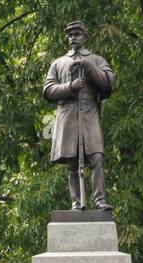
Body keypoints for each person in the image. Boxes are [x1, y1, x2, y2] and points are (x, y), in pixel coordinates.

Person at [43, 21, 115, 210]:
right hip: (68, 116)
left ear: (85, 36)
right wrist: (70, 87)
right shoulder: (58, 63)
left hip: (89, 113)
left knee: (97, 156)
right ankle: (76, 203)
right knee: (72, 162)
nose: (73, 38)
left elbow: (108, 85)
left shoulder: (97, 60)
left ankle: (99, 200)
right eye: (70, 35)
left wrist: (89, 67)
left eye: (77, 34)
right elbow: (48, 90)